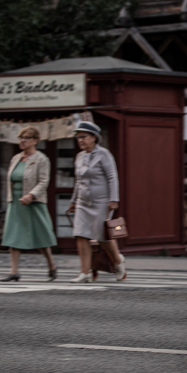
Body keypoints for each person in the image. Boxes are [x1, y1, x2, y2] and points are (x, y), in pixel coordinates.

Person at [67, 121, 126, 283]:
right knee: (81, 235)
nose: (80, 140)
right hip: (83, 202)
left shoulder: (104, 154)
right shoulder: (79, 157)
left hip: (101, 202)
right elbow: (78, 181)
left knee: (103, 236)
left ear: (94, 137)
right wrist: (73, 201)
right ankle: (85, 272)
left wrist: (114, 199)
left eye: (83, 136)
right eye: (78, 137)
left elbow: (112, 177)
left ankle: (118, 262)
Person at [0, 126, 58, 282]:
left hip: (33, 202)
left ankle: (51, 265)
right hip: (16, 201)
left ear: (35, 141)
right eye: (21, 138)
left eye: (26, 138)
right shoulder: (16, 158)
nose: (22, 141)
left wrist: (31, 195)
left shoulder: (41, 159)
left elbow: (44, 181)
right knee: (14, 234)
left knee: (41, 235)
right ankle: (14, 271)